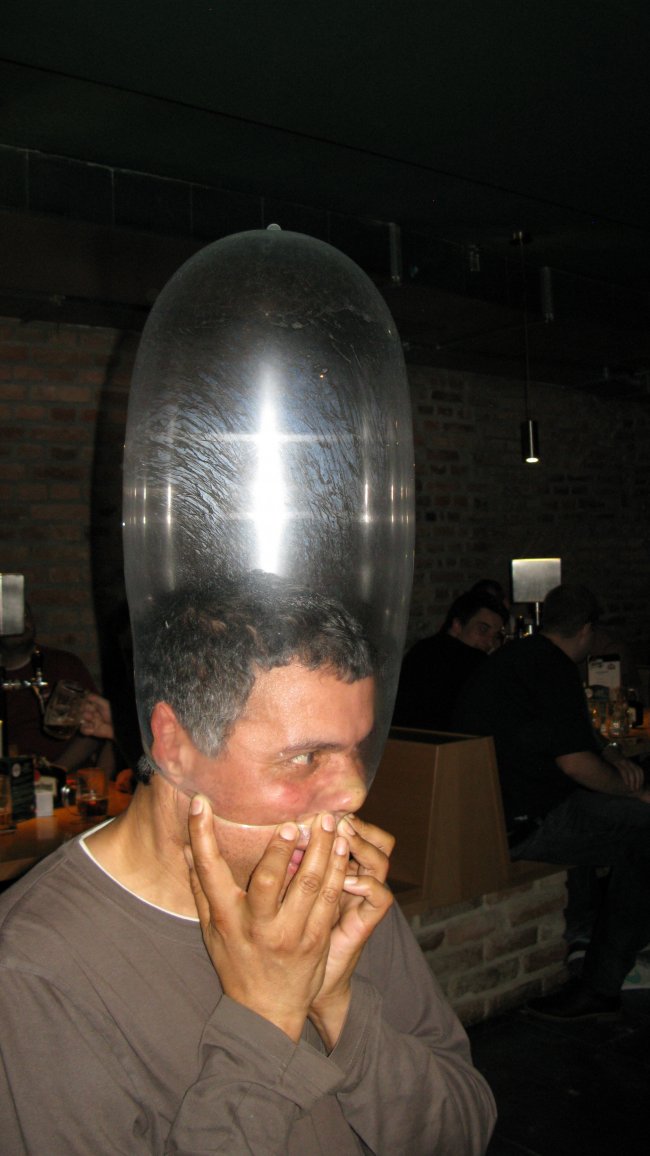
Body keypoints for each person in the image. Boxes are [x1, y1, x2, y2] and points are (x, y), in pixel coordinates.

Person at [0, 574, 496, 1154]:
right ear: (174, 744)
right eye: (306, 756)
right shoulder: (36, 970)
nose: (354, 793)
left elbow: (462, 1131)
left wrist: (338, 1003)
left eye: (357, 749)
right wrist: (266, 1020)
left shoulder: (327, 881)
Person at [452, 584, 650, 1022]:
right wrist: (631, 791)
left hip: (499, 810)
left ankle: (589, 939)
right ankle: (600, 983)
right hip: (522, 822)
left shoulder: (521, 658)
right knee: (642, 829)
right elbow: (576, 765)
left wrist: (609, 755)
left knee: (620, 819)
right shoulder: (553, 668)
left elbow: (566, 740)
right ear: (586, 631)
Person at [0, 602, 109, 771]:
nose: (21, 623)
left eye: (25, 615)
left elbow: (93, 733)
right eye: (12, 617)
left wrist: (54, 771)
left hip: (65, 774)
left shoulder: (63, 664)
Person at [392, 589, 508, 730]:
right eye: (483, 630)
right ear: (457, 625)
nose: (490, 643)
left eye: (495, 636)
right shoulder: (473, 661)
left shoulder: (422, 648)